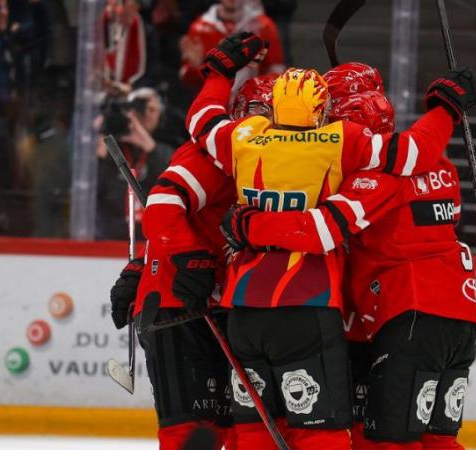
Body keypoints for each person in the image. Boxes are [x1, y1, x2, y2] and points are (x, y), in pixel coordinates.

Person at [186, 32, 476, 449]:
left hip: (256, 305)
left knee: (257, 432)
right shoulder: (406, 159)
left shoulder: (245, 138)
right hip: (431, 309)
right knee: (402, 437)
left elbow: (201, 121)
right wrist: (446, 109)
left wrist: (218, 71)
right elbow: (415, 151)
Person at [109, 76, 276, 450]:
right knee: (192, 434)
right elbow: (165, 207)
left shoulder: (273, 161)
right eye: (262, 115)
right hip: (178, 308)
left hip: (220, 306)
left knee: (235, 428)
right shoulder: (214, 154)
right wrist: (161, 264)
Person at [96, 88, 174, 240]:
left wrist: (150, 148)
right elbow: (94, 191)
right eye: (140, 107)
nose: (146, 115)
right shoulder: (109, 151)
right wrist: (102, 140)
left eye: (152, 109)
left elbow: (171, 184)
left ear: (161, 117)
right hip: (109, 238)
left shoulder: (164, 151)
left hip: (151, 238)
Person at [179, 0, 284, 91]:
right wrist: (195, 68)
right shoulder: (199, 28)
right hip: (214, 101)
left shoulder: (262, 26)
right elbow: (187, 82)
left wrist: (257, 90)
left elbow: (276, 70)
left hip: (252, 105)